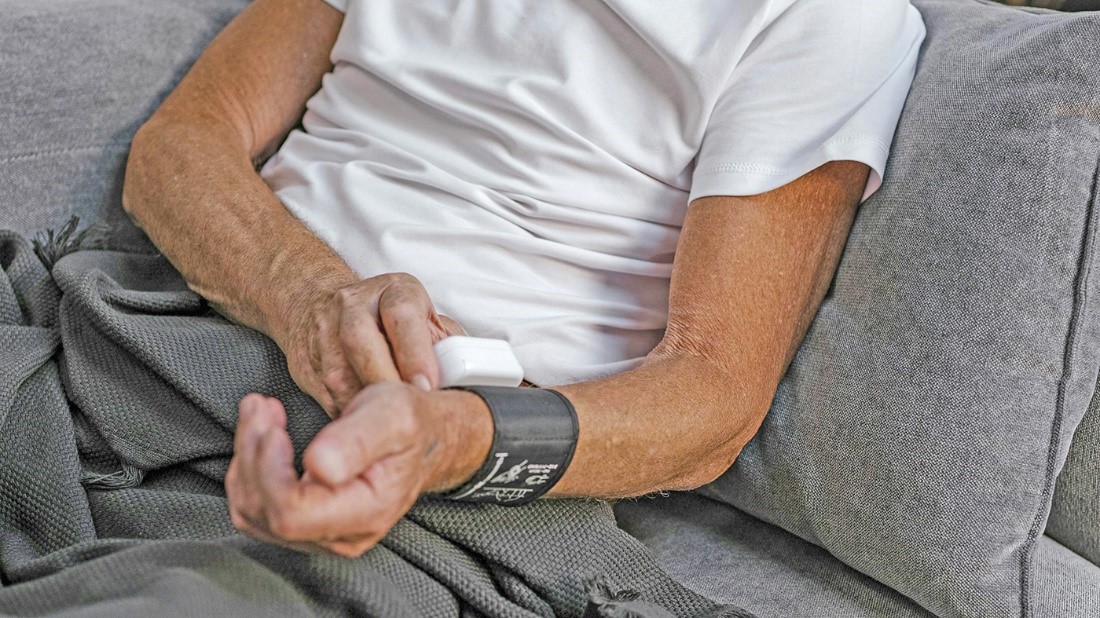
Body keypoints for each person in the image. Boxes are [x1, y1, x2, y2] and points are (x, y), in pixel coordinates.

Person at [122, 0, 925, 558]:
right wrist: (308, 299)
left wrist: (453, 440)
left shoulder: (833, 19)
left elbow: (715, 397)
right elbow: (180, 143)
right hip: (165, 328)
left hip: (444, 467)